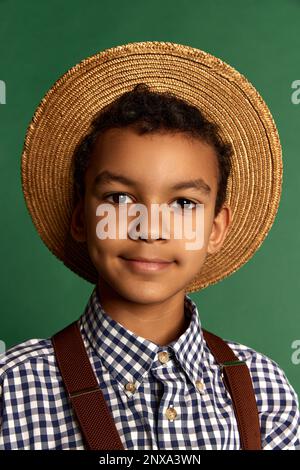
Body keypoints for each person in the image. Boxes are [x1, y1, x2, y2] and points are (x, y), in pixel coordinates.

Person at [0, 41, 299, 450]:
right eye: (120, 199)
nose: (150, 229)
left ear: (215, 228)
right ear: (80, 219)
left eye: (182, 203)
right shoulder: (11, 388)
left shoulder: (264, 390)